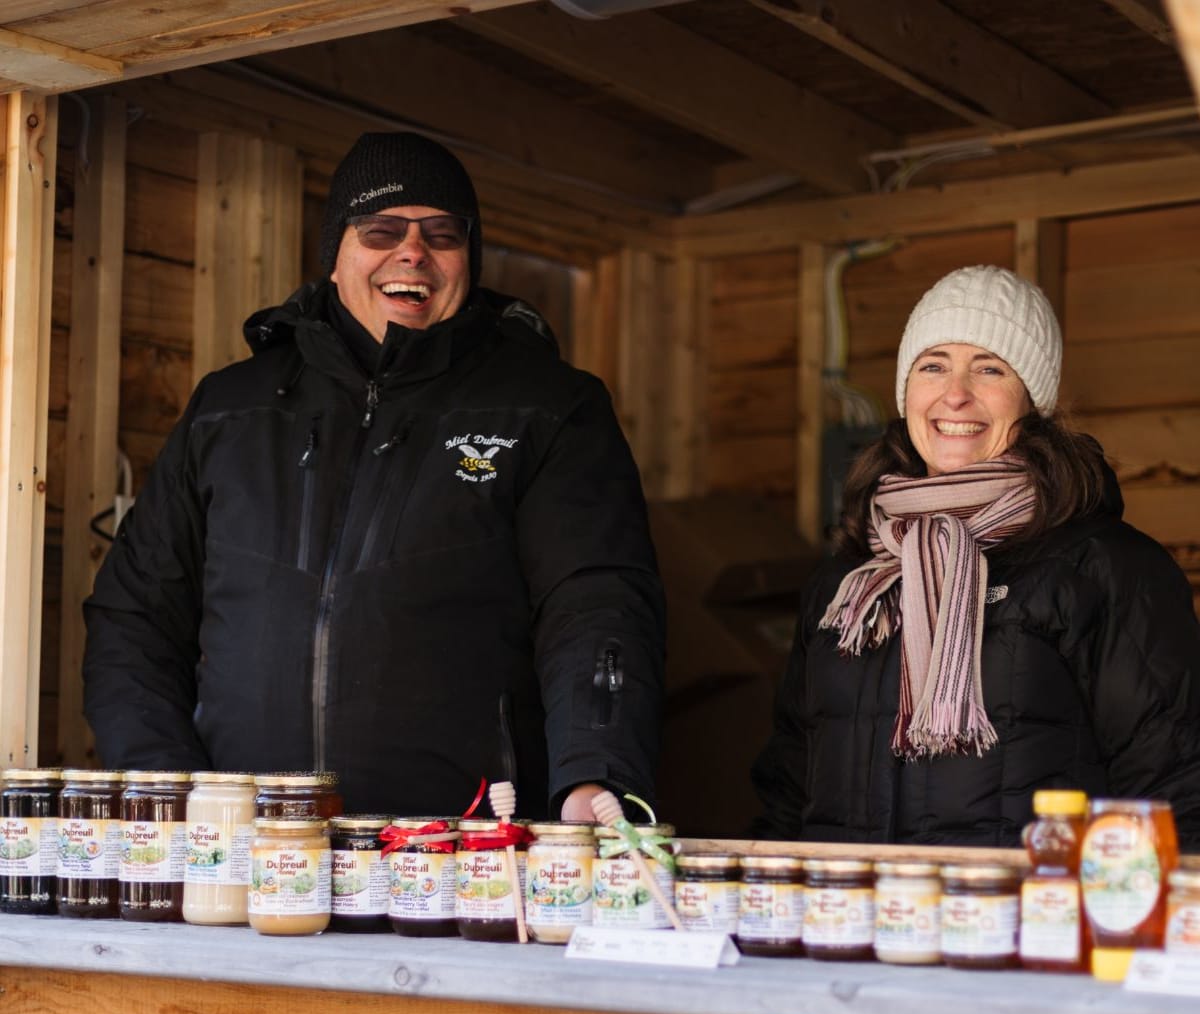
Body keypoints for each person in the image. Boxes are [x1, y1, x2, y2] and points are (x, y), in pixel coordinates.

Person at [83, 131, 665, 819]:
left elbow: (596, 604)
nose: (412, 252)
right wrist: (167, 785)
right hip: (242, 848)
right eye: (382, 230)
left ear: (467, 261)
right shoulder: (230, 408)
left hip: (462, 850)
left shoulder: (548, 406)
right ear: (336, 255)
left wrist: (593, 772)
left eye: (442, 235)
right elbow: (135, 615)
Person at [753, 265, 1200, 847]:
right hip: (851, 925)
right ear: (906, 390)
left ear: (1032, 399)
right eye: (932, 365)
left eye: (989, 368)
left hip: (1027, 928)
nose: (955, 393)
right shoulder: (848, 579)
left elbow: (1177, 791)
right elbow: (791, 784)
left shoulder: (1103, 568)